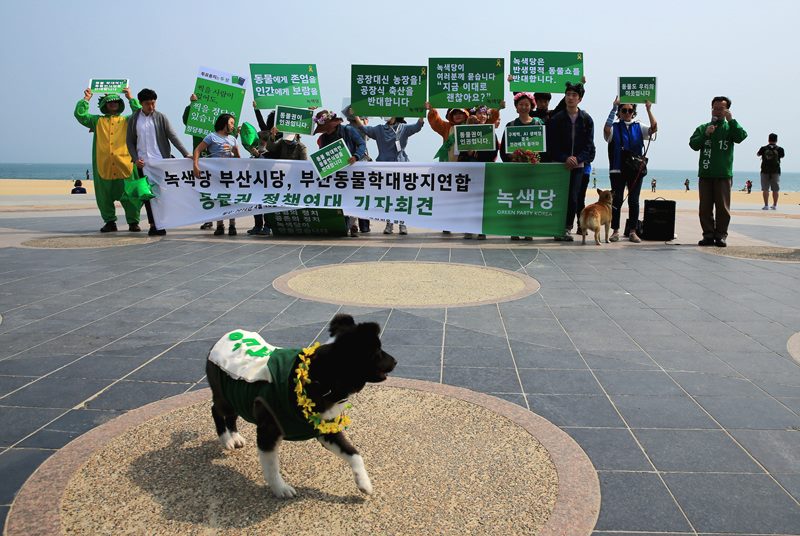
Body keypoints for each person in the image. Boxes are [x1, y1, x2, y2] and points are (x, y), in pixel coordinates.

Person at [74, 87, 143, 233]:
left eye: (116, 101)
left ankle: (133, 222)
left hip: (125, 165)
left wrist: (130, 97)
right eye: (110, 102)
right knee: (104, 197)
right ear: (104, 104)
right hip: (103, 165)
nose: (113, 104)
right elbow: (81, 115)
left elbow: (139, 114)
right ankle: (110, 222)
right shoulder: (96, 121)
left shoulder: (127, 121)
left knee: (131, 196)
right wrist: (86, 99)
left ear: (120, 103)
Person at [127, 88, 192, 236]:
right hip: (143, 164)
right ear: (141, 103)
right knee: (148, 196)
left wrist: (185, 153)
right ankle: (153, 224)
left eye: (153, 103)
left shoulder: (161, 117)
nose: (151, 106)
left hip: (161, 162)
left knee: (161, 194)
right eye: (148, 104)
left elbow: (172, 136)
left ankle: (161, 222)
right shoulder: (133, 119)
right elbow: (129, 142)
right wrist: (136, 159)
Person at [351, 114, 425, 236]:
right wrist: (357, 116)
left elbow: (417, 126)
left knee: (402, 197)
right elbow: (365, 129)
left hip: (401, 166)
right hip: (384, 168)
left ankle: (403, 224)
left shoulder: (403, 128)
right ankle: (389, 224)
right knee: (388, 198)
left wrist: (422, 114)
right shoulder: (379, 129)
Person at [689, 96, 748, 247]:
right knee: (705, 208)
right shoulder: (703, 127)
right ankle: (708, 235)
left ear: (727, 110)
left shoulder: (730, 127)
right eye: (715, 108)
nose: (717, 111)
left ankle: (721, 235)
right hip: (706, 174)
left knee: (723, 208)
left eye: (721, 108)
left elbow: (741, 137)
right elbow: (693, 145)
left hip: (723, 174)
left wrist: (732, 121)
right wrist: (705, 134)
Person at [545, 82, 595, 241]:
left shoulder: (586, 119)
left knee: (573, 198)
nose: (570, 98)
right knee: (558, 197)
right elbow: (551, 144)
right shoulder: (557, 118)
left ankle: (567, 228)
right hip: (559, 165)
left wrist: (577, 159)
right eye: (568, 94)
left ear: (580, 99)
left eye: (574, 95)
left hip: (578, 166)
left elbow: (589, 145)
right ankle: (555, 227)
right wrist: (564, 157)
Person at [603, 98, 658, 243]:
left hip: (635, 169)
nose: (627, 113)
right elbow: (606, 130)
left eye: (630, 110)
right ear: (620, 112)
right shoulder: (615, 127)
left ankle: (633, 231)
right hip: (617, 169)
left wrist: (648, 109)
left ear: (633, 112)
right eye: (624, 110)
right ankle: (615, 231)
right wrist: (614, 107)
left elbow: (654, 128)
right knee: (617, 200)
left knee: (634, 201)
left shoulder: (639, 126)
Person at [313, 109, 367, 237]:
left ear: (333, 124)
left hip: (353, 169)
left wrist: (356, 156)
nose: (326, 130)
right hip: (337, 173)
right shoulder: (324, 138)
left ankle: (353, 225)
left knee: (354, 197)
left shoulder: (348, 130)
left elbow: (361, 144)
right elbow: (323, 156)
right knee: (341, 199)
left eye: (326, 127)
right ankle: (343, 225)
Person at [500, 92, 544, 240]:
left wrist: (535, 158)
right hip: (515, 171)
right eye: (521, 104)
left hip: (532, 171)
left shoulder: (538, 124)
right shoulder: (511, 125)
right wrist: (511, 159)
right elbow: (503, 150)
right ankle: (515, 229)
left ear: (531, 106)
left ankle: (529, 229)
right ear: (516, 107)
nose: (524, 107)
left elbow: (543, 148)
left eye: (527, 104)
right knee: (516, 199)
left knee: (530, 199)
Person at [193, 113, 241, 236]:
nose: (233, 126)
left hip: (230, 174)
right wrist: (196, 165)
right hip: (216, 175)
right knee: (219, 199)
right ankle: (220, 225)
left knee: (232, 199)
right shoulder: (211, 137)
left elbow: (238, 158)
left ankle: (232, 225)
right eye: (231, 123)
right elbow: (198, 150)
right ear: (224, 123)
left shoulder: (233, 139)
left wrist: (235, 152)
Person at [757, 133, 785, 210]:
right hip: (775, 172)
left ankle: (766, 205)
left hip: (764, 171)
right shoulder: (780, 149)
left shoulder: (763, 148)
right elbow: (782, 156)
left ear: (768, 139)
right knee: (775, 189)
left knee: (765, 189)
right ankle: (774, 205)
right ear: (776, 140)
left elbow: (758, 154)